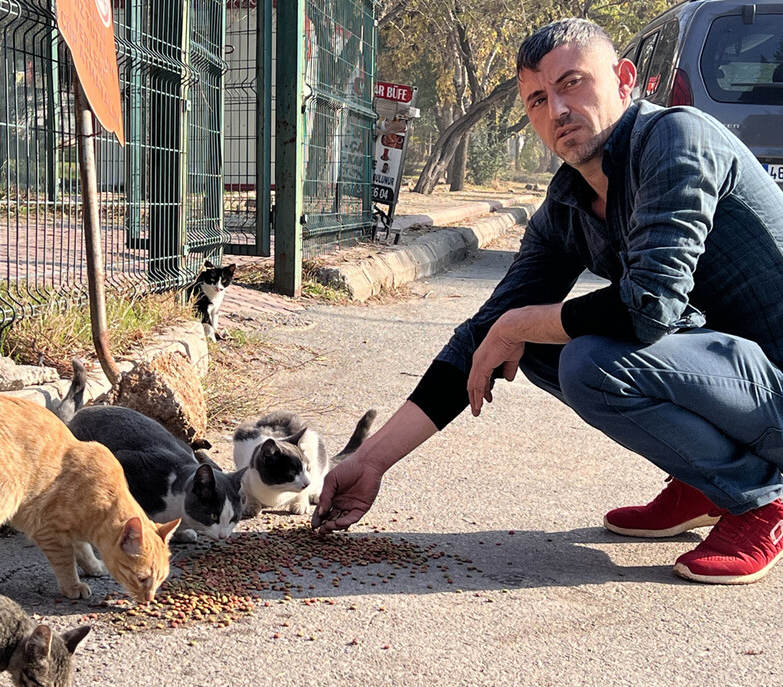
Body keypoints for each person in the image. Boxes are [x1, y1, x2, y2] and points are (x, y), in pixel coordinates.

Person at [313, 17, 783, 585]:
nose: (557, 110)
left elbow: (650, 306)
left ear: (625, 80)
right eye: (538, 99)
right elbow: (483, 334)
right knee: (524, 343)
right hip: (741, 382)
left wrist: (522, 322)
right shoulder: (567, 206)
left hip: (773, 381)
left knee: (587, 359)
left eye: (574, 83)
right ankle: (706, 481)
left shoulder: (677, 138)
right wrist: (370, 461)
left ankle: (761, 499)